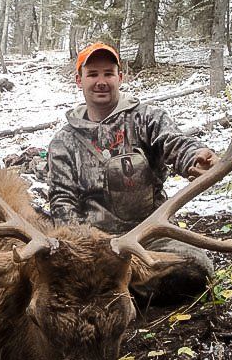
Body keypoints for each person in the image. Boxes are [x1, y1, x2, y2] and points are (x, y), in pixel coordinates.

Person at [47, 42, 218, 304]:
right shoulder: (63, 142)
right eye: (93, 74)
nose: (101, 82)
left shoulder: (147, 119)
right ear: (79, 80)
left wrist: (194, 157)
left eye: (108, 73)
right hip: (94, 250)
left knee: (197, 267)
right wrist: (80, 251)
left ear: (120, 77)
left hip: (150, 240)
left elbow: (173, 142)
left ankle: (112, 294)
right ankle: (124, 292)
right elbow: (62, 200)